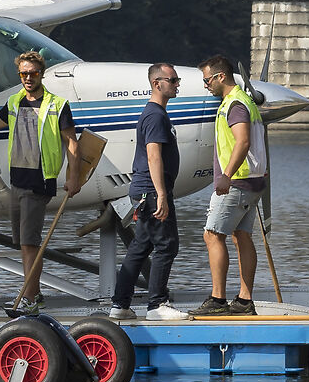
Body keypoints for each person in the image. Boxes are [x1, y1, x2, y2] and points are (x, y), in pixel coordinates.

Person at [0, 50, 81, 316]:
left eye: (33, 73)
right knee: (22, 242)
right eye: (23, 74)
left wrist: (73, 176)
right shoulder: (14, 102)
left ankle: (29, 298)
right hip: (17, 181)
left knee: (30, 243)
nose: (28, 78)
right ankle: (36, 293)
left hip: (40, 180)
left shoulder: (57, 105)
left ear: (41, 74)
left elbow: (72, 142)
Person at [113, 62, 189, 321]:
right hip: (151, 191)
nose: (177, 84)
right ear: (158, 83)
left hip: (146, 191)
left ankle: (120, 305)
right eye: (173, 80)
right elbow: (153, 155)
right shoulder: (156, 115)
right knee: (167, 245)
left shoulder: (155, 114)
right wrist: (162, 194)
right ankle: (157, 304)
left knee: (140, 247)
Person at [194, 54, 266, 318]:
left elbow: (242, 142)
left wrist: (226, 175)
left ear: (220, 76)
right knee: (241, 236)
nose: (206, 85)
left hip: (237, 181)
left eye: (207, 80)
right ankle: (245, 301)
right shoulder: (241, 100)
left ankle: (218, 299)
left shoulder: (234, 104)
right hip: (254, 180)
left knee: (213, 235)